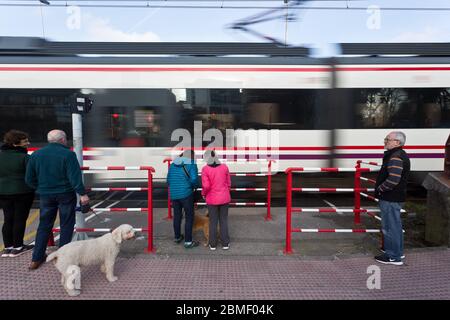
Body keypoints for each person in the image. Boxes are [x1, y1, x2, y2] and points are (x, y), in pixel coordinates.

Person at [25, 130, 89, 270]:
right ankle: (63, 257)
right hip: (65, 194)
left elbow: (29, 179)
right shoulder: (68, 154)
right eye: (66, 139)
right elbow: (75, 177)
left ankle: (36, 259)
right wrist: (82, 194)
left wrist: (41, 188)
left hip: (45, 195)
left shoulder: (36, 154)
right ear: (62, 140)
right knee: (66, 225)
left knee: (44, 226)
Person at [374, 131, 410, 266]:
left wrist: (380, 189)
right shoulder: (400, 155)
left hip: (390, 198)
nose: (385, 141)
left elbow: (393, 180)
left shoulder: (395, 157)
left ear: (397, 142)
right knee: (395, 226)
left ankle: (393, 256)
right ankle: (398, 252)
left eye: (387, 139)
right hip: (394, 197)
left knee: (390, 227)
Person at [0, 130, 35, 257]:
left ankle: (7, 247)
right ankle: (18, 247)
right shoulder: (26, 158)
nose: (28, 143)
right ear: (15, 144)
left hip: (3, 192)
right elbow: (31, 175)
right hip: (23, 192)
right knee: (20, 219)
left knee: (8, 218)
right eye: (25, 141)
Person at [167, 149, 200, 249]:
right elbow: (194, 179)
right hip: (186, 194)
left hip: (174, 194)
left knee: (177, 216)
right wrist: (194, 186)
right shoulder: (192, 164)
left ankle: (177, 237)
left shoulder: (173, 165)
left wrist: (174, 188)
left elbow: (168, 180)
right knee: (189, 217)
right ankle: (188, 242)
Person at [201, 150, 231, 251]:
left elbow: (206, 186)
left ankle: (213, 244)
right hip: (224, 198)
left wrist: (203, 194)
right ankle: (225, 244)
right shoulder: (225, 167)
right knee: (223, 220)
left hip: (212, 199)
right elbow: (229, 183)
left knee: (212, 221)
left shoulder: (205, 169)